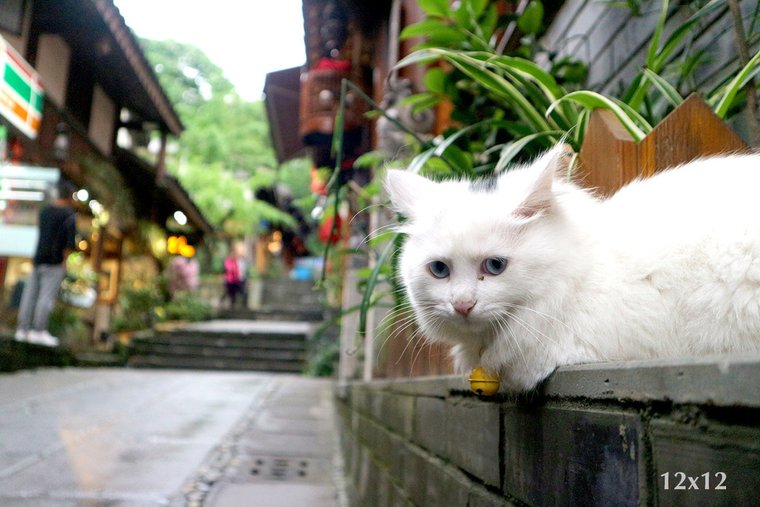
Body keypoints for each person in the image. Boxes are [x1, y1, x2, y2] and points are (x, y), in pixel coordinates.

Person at [15, 179, 78, 347]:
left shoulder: (45, 211)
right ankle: (38, 330)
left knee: (29, 295)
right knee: (45, 298)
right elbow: (68, 244)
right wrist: (64, 263)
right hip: (54, 262)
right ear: (70, 196)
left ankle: (22, 330)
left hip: (38, 258)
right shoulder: (69, 216)